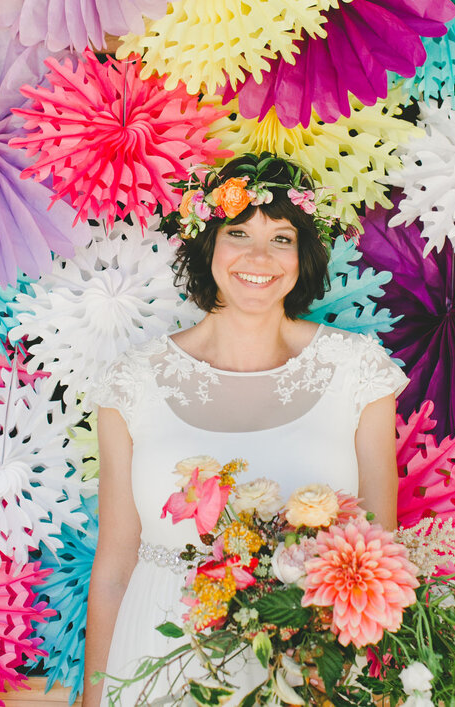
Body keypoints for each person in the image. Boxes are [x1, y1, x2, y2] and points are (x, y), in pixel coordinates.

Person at [82, 153, 408, 707]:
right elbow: (114, 566)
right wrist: (96, 699)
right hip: (160, 654)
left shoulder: (358, 372)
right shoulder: (131, 383)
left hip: (312, 660)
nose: (260, 257)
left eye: (282, 237)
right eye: (239, 233)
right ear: (207, 244)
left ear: (303, 255)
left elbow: (384, 554)